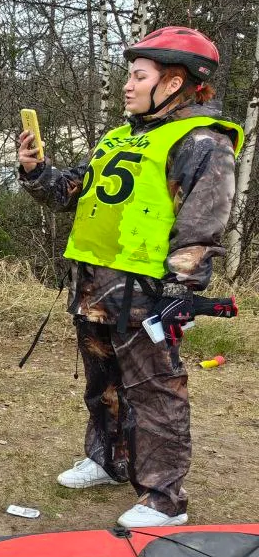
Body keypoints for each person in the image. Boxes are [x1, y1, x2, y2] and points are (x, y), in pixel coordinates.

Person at [17, 27, 243, 528]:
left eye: (139, 76)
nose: (128, 85)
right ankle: (108, 461)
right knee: (103, 386)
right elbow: (71, 192)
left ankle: (164, 498)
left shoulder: (202, 142)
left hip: (146, 294)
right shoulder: (121, 136)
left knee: (157, 393)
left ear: (175, 82)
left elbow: (202, 228)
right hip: (95, 286)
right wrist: (36, 170)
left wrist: (178, 292)